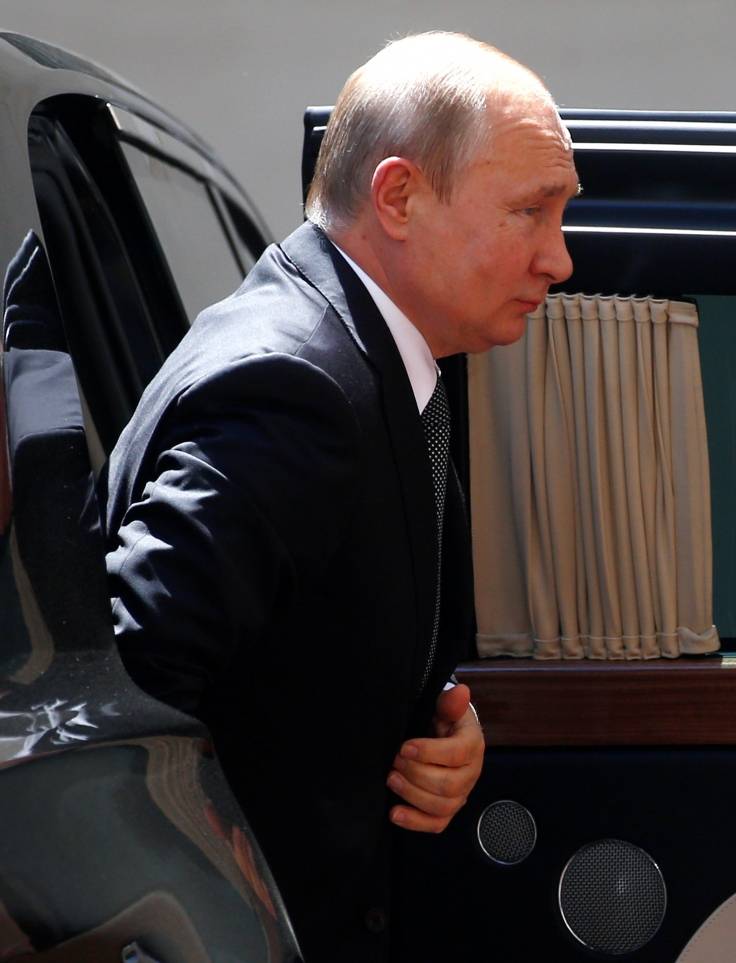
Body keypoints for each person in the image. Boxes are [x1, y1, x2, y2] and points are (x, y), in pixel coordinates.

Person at [103, 32, 577, 961]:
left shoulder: (365, 354)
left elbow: (314, 625)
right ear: (398, 195)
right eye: (531, 212)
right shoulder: (300, 384)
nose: (558, 259)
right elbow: (133, 674)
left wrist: (432, 715)